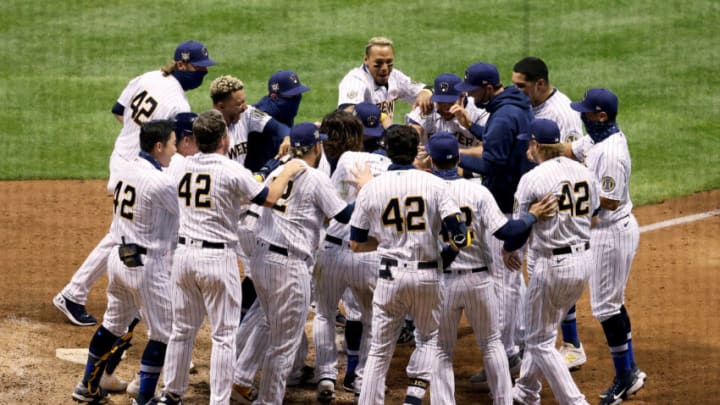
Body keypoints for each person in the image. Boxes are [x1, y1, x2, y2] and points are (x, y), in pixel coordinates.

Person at [53, 40, 217, 327]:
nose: (202, 73)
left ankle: (81, 293)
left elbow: (119, 110)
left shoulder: (149, 77)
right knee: (126, 233)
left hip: (122, 159)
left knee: (124, 231)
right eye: (198, 67)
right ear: (181, 64)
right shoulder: (177, 102)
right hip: (139, 169)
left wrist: (135, 134)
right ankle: (76, 293)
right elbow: (177, 144)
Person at [149, 110, 304, 405]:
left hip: (183, 258)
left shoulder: (178, 166)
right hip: (217, 260)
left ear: (195, 139)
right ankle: (218, 401)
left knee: (182, 329)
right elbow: (269, 197)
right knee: (223, 335)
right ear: (224, 138)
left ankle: (171, 393)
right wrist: (286, 168)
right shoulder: (232, 170)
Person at [424, 132, 557, 405]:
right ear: (459, 158)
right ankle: (504, 401)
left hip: (441, 283)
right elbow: (507, 230)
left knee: (441, 351)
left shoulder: (423, 192)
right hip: (479, 281)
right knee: (492, 344)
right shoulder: (478, 191)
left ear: (432, 162)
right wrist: (533, 215)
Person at [349, 125, 470, 405]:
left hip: (389, 275)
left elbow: (356, 243)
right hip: (428, 275)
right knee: (428, 339)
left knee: (379, 350)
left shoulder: (371, 188)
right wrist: (444, 251)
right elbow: (461, 236)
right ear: (417, 148)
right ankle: (413, 398)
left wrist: (388, 243)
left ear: (387, 150)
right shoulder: (436, 184)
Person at [248, 122, 360, 404]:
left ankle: (239, 376)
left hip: (261, 258)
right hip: (288, 265)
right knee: (283, 341)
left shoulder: (279, 170)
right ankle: (267, 400)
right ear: (317, 146)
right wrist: (372, 193)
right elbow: (344, 215)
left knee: (267, 321)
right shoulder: (315, 177)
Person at [70, 120, 179, 405]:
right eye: (172, 144)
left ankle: (88, 386)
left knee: (113, 325)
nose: (175, 149)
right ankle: (144, 399)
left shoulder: (126, 169)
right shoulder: (160, 181)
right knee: (164, 334)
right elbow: (186, 212)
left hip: (118, 259)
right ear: (159, 147)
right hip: (146, 265)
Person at [503, 119, 599, 405]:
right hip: (584, 262)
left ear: (536, 145)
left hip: (552, 266)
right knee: (541, 329)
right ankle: (526, 391)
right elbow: (593, 218)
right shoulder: (585, 172)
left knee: (539, 342)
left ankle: (575, 401)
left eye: (528, 144)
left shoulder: (532, 179)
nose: (526, 149)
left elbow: (520, 228)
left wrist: (509, 250)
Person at [455, 62, 535, 387]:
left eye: (473, 91)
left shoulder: (503, 115)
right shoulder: (513, 104)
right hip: (515, 200)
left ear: (488, 87)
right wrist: (472, 127)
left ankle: (502, 358)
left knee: (502, 283)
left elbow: (492, 160)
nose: (470, 97)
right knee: (513, 281)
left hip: (505, 207)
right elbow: (495, 141)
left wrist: (451, 156)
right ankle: (518, 342)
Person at [568, 88, 647, 404]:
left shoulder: (611, 151)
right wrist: (539, 147)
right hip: (607, 232)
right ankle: (631, 370)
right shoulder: (597, 138)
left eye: (587, 112)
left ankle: (625, 376)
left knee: (606, 307)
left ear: (601, 116)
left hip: (611, 233)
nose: (581, 116)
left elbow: (610, 201)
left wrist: (573, 202)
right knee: (612, 302)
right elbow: (570, 149)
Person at [512, 56, 586, 370]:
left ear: (540, 84)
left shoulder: (562, 112)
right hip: (536, 190)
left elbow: (570, 162)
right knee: (539, 275)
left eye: (521, 86)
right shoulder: (532, 106)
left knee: (553, 273)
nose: (516, 91)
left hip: (555, 201)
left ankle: (570, 344)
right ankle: (536, 346)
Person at [313, 106, 392, 401]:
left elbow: (329, 205)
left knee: (323, 313)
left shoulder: (346, 159)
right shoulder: (388, 165)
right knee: (373, 319)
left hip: (333, 249)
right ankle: (360, 379)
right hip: (371, 253)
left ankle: (325, 378)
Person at [338, 36, 432, 123]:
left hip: (385, 136)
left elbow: (427, 89)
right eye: (379, 62)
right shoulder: (355, 80)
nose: (384, 68)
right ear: (366, 60)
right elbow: (347, 114)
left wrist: (425, 92)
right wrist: (383, 118)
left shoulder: (395, 76)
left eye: (389, 62)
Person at [245, 69, 311, 172]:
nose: (296, 99)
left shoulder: (283, 111)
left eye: (298, 95)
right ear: (274, 96)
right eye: (292, 96)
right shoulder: (259, 114)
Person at [406, 72, 488, 147]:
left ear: (462, 97)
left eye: (450, 103)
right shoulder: (429, 105)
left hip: (468, 162)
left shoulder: (479, 112)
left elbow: (489, 147)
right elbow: (414, 131)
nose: (445, 108)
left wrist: (470, 126)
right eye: (441, 102)